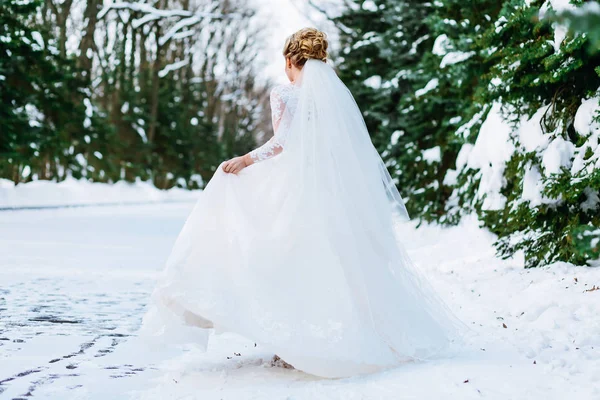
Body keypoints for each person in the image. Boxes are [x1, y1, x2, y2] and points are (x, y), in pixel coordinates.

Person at [142, 27, 461, 378]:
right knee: (330, 260)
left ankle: (294, 340)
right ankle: (331, 337)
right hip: (333, 188)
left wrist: (246, 161)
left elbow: (282, 143)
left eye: (285, 62)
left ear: (291, 60)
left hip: (297, 186)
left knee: (284, 255)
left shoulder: (285, 94)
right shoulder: (335, 94)